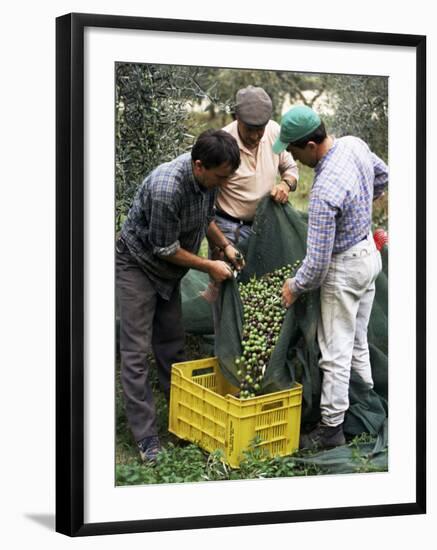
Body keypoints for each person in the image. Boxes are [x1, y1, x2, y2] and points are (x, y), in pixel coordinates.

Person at [116, 129, 244, 462]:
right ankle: (146, 438)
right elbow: (164, 248)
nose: (222, 183)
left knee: (172, 344)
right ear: (199, 165)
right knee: (135, 351)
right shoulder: (166, 188)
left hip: (168, 274)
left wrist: (225, 246)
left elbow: (206, 219)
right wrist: (209, 266)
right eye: (219, 176)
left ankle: (181, 417)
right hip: (138, 265)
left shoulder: (206, 183)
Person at [274, 105, 388, 450]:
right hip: (369, 254)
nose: (292, 156)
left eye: (293, 149)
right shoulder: (354, 144)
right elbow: (383, 176)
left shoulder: (324, 191)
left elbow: (319, 262)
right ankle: (366, 402)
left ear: (310, 146)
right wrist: (365, 201)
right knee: (357, 339)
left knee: (334, 351)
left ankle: (331, 428)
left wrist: (294, 286)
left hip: (344, 268)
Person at [213, 85, 299, 250]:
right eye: (249, 130)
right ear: (237, 117)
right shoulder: (222, 143)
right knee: (228, 275)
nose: (254, 137)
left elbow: (291, 168)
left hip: (265, 226)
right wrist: (220, 243)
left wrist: (285, 185)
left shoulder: (274, 131)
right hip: (229, 229)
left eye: (260, 130)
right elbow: (206, 197)